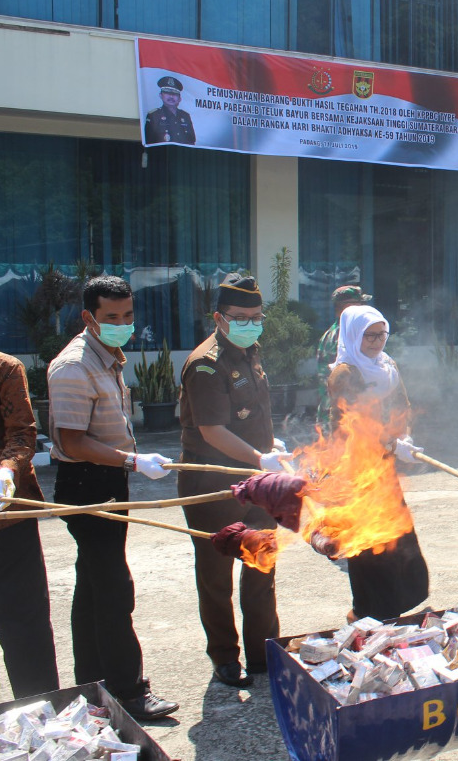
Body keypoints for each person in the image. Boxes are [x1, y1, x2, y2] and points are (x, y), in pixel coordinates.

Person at [47, 275, 177, 720]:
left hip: (107, 482)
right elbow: (72, 441)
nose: (122, 324)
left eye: (127, 316)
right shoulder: (74, 366)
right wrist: (132, 462)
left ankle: (92, 686)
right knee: (115, 589)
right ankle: (129, 690)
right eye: (111, 318)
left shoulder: (108, 356)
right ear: (88, 317)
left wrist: (126, 465)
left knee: (93, 588)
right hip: (87, 485)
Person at [177, 274, 291, 689]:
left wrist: (270, 446)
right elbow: (212, 431)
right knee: (216, 574)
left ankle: (265, 654)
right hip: (213, 484)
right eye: (240, 317)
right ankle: (225, 657)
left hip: (258, 482)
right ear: (218, 318)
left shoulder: (250, 352)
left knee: (262, 566)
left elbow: (253, 417)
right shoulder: (205, 364)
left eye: (256, 317)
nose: (249, 324)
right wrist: (261, 457)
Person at [0, 282, 59, 710]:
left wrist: (7, 469)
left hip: (8, 513)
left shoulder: (4, 369)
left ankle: (41, 711)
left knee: (24, 619)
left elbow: (22, 432)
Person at [327, 304, 429, 621]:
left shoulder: (387, 366)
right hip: (356, 469)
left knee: (396, 537)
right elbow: (358, 425)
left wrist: (405, 438)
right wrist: (392, 443)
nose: (376, 341)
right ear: (353, 335)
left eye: (381, 334)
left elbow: (403, 406)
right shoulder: (345, 374)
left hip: (383, 466)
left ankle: (391, 608)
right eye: (368, 335)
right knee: (369, 543)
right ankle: (368, 612)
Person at [316, 285, 372, 435]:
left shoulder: (331, 333)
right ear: (348, 307)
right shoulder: (345, 335)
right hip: (342, 417)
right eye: (360, 304)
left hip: (329, 412)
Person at [143, 76, 196, 145]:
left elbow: (192, 142)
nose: (171, 97)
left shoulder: (185, 116)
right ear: (160, 95)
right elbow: (149, 143)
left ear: (180, 98)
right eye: (167, 93)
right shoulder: (154, 116)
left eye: (174, 94)